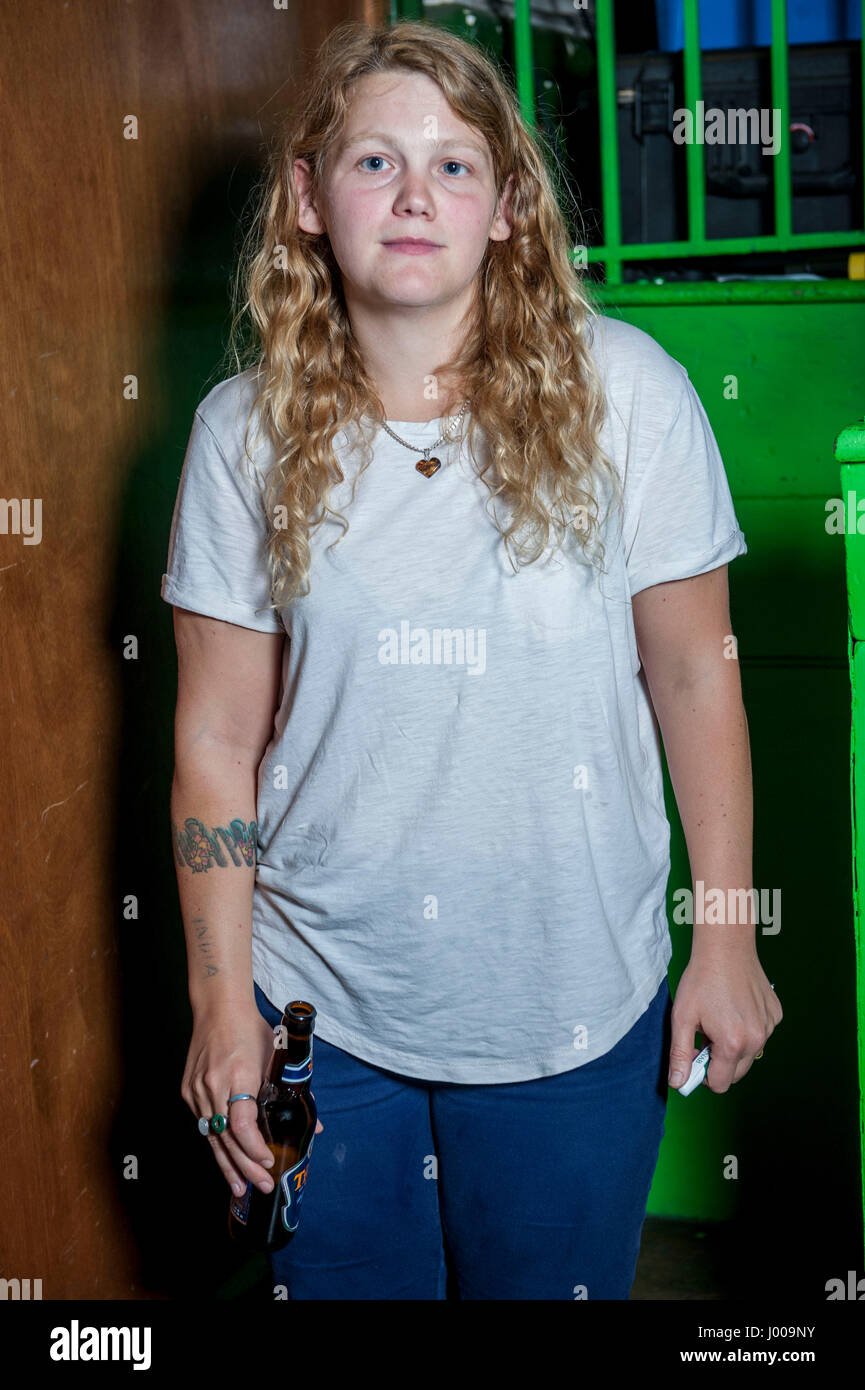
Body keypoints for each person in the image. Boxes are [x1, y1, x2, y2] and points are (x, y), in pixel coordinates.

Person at [162, 19, 782, 1300]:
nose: (411, 195)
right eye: (373, 160)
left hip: (570, 1003)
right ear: (305, 197)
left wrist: (723, 939)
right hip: (316, 1011)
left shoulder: (630, 394)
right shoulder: (240, 436)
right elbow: (215, 743)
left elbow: (695, 678)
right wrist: (223, 1007)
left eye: (452, 166)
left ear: (507, 205)